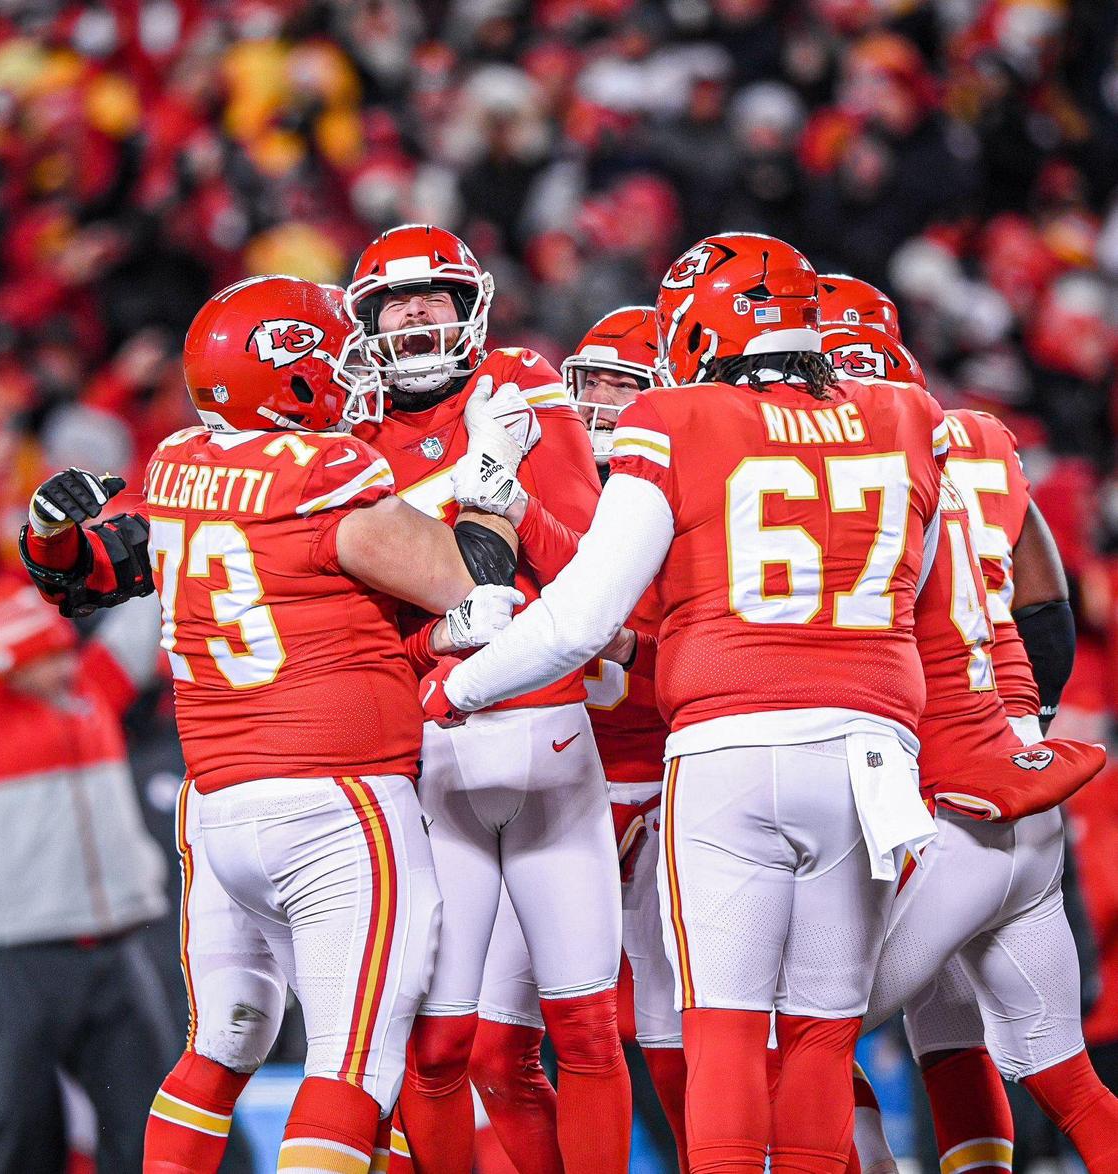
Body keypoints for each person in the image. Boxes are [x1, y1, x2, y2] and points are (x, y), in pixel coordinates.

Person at [420, 232, 949, 1172]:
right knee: (824, 1041)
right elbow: (925, 598)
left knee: (725, 1034)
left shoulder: (678, 417)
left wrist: (456, 687)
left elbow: (581, 617)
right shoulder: (909, 414)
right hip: (871, 753)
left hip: (732, 752)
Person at [20, 274, 522, 1174]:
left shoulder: (178, 465)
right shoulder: (325, 473)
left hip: (217, 811)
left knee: (220, 1046)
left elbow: (84, 577)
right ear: (288, 375)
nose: (348, 371)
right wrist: (492, 474)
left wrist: (50, 538)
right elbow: (469, 575)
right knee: (353, 1065)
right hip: (338, 807)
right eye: (329, 355)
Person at [342, 224, 633, 1173]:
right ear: (366, 320)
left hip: (549, 733)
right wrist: (465, 489)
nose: (413, 311)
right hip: (429, 753)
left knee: (587, 1032)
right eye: (391, 300)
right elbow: (368, 612)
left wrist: (501, 498)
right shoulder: (344, 437)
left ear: (470, 305)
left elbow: (590, 574)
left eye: (430, 294)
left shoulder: (515, 382)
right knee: (439, 1049)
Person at [818, 275, 1117, 1173]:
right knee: (1040, 1062)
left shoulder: (841, 456)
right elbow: (1048, 609)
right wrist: (1020, 718)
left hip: (939, 799)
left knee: (794, 1033)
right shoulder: (979, 437)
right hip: (1018, 777)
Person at [461, 307, 689, 1171]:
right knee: (491, 1050)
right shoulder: (536, 486)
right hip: (558, 788)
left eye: (622, 388)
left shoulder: (685, 505)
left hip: (658, 790)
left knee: (674, 1051)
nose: (596, 407)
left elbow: (681, 661)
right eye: (586, 385)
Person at [0, 578, 173, 1174]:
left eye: (65, 649)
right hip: (14, 956)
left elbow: (142, 626)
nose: (65, 663)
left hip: (116, 947)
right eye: (46, 655)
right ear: (8, 663)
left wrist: (167, 537)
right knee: (15, 1131)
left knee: (150, 1123)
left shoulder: (92, 694)